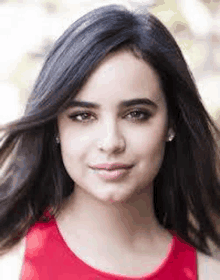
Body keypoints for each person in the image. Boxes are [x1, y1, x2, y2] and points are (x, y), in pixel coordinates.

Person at [0, 3, 220, 280]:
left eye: (136, 114)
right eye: (82, 116)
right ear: (55, 126)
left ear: (172, 123)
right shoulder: (10, 263)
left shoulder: (208, 274)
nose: (110, 142)